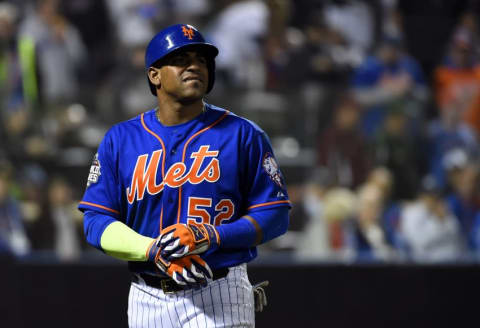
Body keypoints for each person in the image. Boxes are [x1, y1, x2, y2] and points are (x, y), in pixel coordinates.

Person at [78, 24, 291, 327]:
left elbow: (275, 216)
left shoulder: (243, 134)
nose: (194, 66)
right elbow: (96, 222)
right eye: (181, 59)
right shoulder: (121, 139)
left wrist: (212, 235)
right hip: (146, 296)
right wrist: (152, 250)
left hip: (219, 288)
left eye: (201, 60)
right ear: (155, 75)